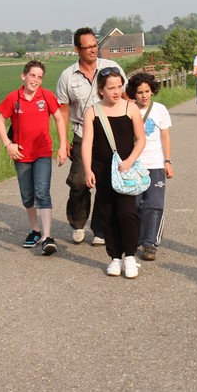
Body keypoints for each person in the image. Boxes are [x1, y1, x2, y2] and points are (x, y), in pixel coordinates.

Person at [56, 27, 124, 246]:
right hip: (81, 134)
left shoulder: (111, 68)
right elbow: (63, 111)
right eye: (88, 47)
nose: (93, 50)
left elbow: (125, 98)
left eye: (95, 46)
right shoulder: (67, 76)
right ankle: (77, 223)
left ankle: (100, 229)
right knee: (78, 182)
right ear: (77, 49)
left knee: (106, 182)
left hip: (109, 135)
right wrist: (63, 142)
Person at [0, 60, 69, 256]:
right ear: (24, 76)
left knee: (42, 192)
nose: (35, 80)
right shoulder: (14, 97)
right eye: (32, 75)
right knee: (28, 194)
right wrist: (7, 144)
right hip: (21, 153)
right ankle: (35, 230)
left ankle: (47, 237)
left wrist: (63, 145)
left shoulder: (47, 96)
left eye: (39, 77)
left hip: (42, 151)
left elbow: (59, 118)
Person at [82, 67, 146, 278]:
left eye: (119, 87)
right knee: (107, 213)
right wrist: (87, 169)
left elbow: (141, 139)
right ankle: (115, 258)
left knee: (127, 213)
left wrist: (130, 160)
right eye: (111, 88)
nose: (116, 91)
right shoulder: (92, 111)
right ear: (101, 90)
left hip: (125, 169)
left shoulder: (131, 108)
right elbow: (87, 143)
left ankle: (130, 256)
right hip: (102, 169)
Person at [126, 72, 173, 261]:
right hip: (134, 165)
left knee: (154, 204)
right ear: (133, 93)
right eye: (139, 92)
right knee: (135, 204)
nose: (144, 95)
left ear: (152, 90)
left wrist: (167, 161)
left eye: (147, 91)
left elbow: (165, 136)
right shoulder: (128, 109)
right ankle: (136, 237)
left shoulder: (160, 110)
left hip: (155, 164)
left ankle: (150, 242)